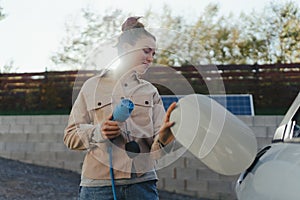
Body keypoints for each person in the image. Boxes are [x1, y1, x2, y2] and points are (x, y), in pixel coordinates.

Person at [64, 16, 176, 200]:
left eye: (153, 54)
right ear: (125, 49)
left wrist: (164, 139)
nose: (150, 58)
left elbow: (157, 150)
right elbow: (70, 136)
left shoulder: (150, 91)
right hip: (98, 188)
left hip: (142, 186)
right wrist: (99, 132)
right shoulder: (92, 87)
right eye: (146, 51)